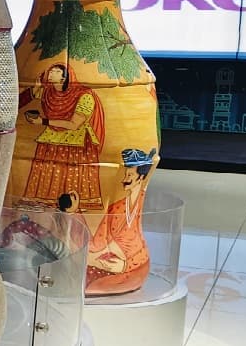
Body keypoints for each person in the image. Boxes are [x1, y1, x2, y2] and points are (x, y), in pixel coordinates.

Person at [19, 62, 105, 210]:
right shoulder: (48, 92)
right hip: (51, 139)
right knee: (46, 175)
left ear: (65, 77)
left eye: (56, 72)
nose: (50, 74)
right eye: (50, 71)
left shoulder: (84, 96)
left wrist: (43, 121)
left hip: (76, 143)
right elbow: (21, 99)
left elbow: (74, 124)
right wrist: (36, 86)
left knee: (72, 177)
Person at [85, 148, 157, 295]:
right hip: (109, 261)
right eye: (125, 174)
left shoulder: (139, 199)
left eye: (130, 175)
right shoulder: (117, 207)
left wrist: (125, 263)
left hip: (133, 263)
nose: (124, 179)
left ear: (141, 177)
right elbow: (98, 242)